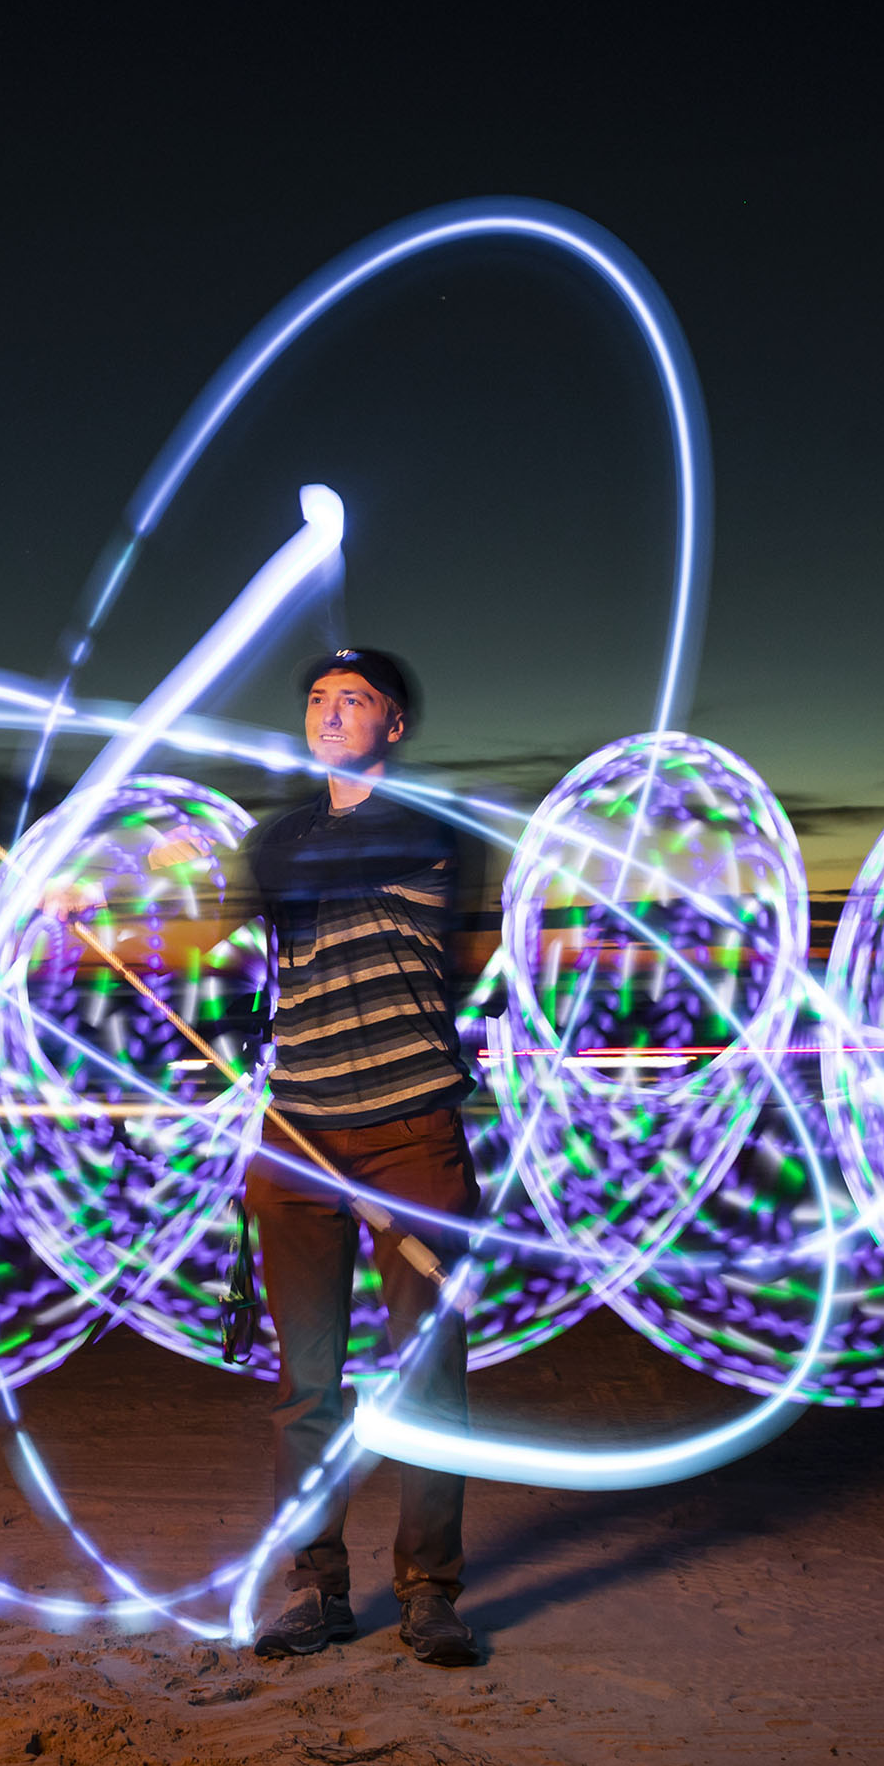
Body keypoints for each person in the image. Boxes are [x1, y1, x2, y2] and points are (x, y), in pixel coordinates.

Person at [209, 646, 487, 1667]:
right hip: (296, 1138)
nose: (331, 715)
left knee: (430, 1377)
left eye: (355, 701)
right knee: (307, 1386)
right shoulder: (277, 838)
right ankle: (318, 1590)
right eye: (319, 702)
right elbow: (253, 924)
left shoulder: (432, 832)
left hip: (411, 1134)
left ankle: (430, 1592)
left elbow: (336, 877)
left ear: (395, 725)